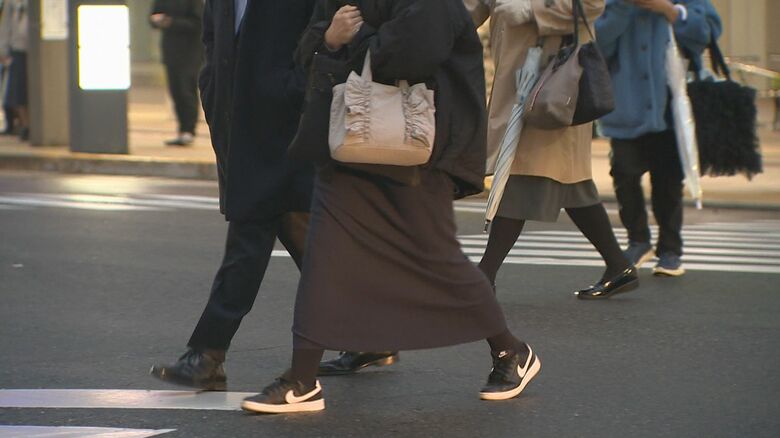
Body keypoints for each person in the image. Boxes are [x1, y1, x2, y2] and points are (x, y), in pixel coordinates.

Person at [240, 0, 540, 415]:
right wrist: (330, 40)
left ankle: (511, 350)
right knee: (326, 259)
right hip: (348, 144)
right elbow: (309, 47)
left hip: (417, 149)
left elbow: (411, 55)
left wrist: (350, 36)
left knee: (436, 261)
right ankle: (301, 380)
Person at [149, 0, 317, 391]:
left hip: (288, 122)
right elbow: (214, 38)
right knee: (298, 231)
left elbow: (324, 32)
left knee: (250, 230)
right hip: (236, 121)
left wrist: (293, 88)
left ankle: (208, 354)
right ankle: (369, 333)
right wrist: (211, 87)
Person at [467, 0, 637, 300]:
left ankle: (484, 276)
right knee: (570, 184)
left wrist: (532, 10)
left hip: (554, 84)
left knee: (521, 173)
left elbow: (591, 4)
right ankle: (618, 265)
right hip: (525, 77)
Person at [596, 0, 721, 276]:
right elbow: (599, 44)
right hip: (627, 104)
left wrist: (669, 11)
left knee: (668, 180)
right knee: (624, 173)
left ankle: (670, 250)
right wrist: (623, 8)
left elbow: (707, 34)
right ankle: (638, 240)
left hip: (673, 106)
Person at [149, 0, 204, 147]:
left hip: (190, 52)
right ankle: (182, 130)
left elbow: (198, 24)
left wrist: (171, 22)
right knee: (176, 91)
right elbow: (152, 17)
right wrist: (156, 21)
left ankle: (189, 130)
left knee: (186, 89)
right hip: (170, 51)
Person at [0, 0, 28, 141]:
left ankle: (28, 125)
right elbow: (5, 26)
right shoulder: (11, 3)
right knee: (16, 93)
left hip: (34, 48)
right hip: (17, 48)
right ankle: (25, 125)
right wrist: (3, 49)